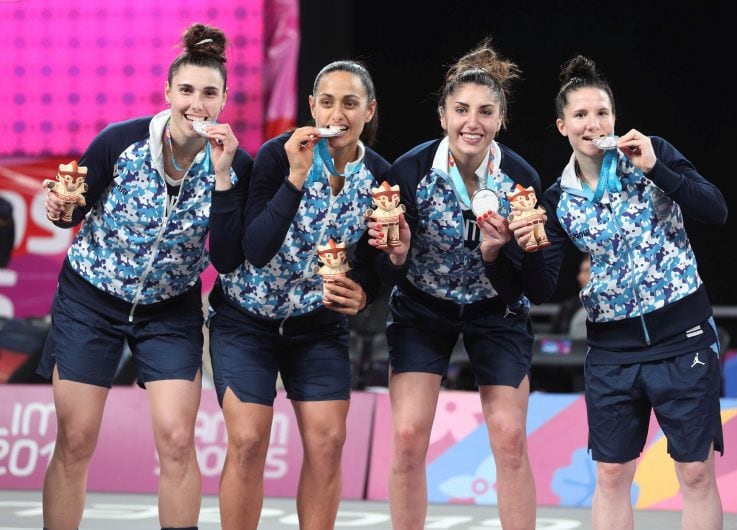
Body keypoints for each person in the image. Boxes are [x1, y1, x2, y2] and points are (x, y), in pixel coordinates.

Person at [35, 23, 252, 530]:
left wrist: (222, 178)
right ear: (168, 93)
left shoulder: (234, 163)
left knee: (178, 440)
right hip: (90, 301)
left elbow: (225, 255)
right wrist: (60, 209)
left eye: (209, 93)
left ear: (224, 101)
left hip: (170, 309)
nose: (197, 104)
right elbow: (72, 209)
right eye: (187, 91)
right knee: (75, 439)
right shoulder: (120, 142)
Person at [534, 55, 727, 530]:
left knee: (697, 472)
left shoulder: (652, 152)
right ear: (562, 126)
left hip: (684, 338)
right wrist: (512, 245)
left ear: (614, 119)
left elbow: (716, 211)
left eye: (601, 113)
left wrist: (659, 169)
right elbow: (540, 282)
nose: (592, 123)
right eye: (580, 115)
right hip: (611, 351)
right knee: (612, 474)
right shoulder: (558, 198)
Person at [207, 60, 392, 530]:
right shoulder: (276, 155)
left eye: (351, 103)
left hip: (317, 326)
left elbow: (381, 260)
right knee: (248, 441)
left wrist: (365, 292)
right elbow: (255, 248)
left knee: (329, 442)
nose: (337, 113)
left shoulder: (381, 178)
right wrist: (295, 176)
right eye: (326, 101)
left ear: (369, 111)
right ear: (311, 106)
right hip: (246, 319)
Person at [379, 39, 548, 530]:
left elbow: (532, 284)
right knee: (409, 436)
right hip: (421, 310)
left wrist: (499, 254)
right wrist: (398, 254)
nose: (471, 122)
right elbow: (388, 270)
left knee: (510, 437)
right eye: (460, 110)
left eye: (485, 112)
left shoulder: (521, 179)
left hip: (495, 312)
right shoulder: (407, 172)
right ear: (442, 115)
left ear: (500, 120)